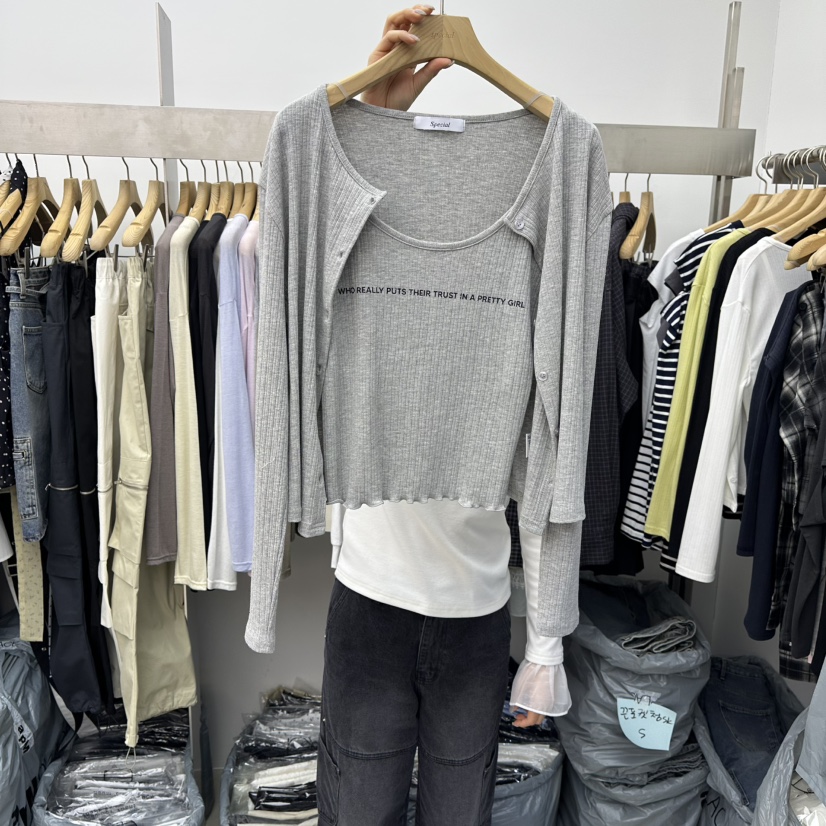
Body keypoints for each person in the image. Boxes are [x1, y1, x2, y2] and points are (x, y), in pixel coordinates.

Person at [316, 7, 571, 824]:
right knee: (360, 808)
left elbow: (553, 441)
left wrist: (545, 641)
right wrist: (368, 120)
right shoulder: (339, 188)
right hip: (370, 597)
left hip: (475, 609)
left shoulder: (545, 197)